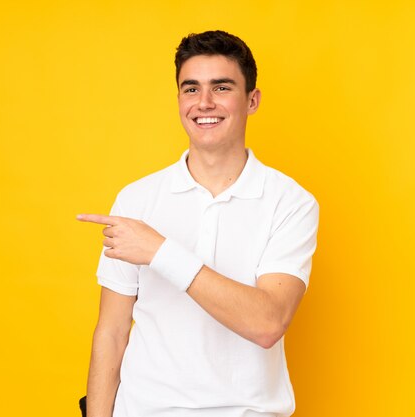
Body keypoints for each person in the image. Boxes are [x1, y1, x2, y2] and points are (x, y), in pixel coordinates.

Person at [77, 29, 319, 417]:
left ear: (251, 100)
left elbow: (267, 322)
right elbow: (111, 332)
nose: (204, 103)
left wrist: (160, 251)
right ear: (178, 100)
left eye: (221, 88)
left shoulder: (290, 203)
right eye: (191, 89)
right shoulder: (136, 199)